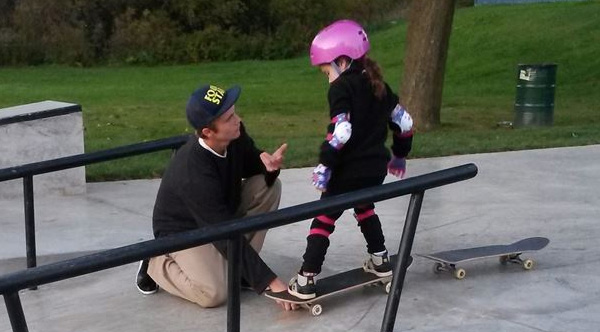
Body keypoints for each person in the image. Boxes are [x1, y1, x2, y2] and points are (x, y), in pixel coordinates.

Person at [135, 83, 296, 311]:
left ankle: (240, 272)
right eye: (229, 118)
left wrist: (268, 166)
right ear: (208, 132)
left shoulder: (234, 136)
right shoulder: (193, 171)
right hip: (184, 231)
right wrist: (272, 283)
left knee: (268, 187)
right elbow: (222, 231)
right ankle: (154, 260)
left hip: (218, 216)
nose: (237, 120)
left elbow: (250, 161)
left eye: (235, 112)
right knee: (214, 294)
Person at [288, 20, 414, 300]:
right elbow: (405, 123)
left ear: (342, 61)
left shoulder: (341, 88)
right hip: (375, 170)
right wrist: (400, 155)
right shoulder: (379, 85)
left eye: (326, 71)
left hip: (346, 171)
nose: (327, 78)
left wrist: (325, 165)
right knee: (364, 207)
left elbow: (342, 131)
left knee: (324, 218)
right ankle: (380, 259)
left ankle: (307, 278)